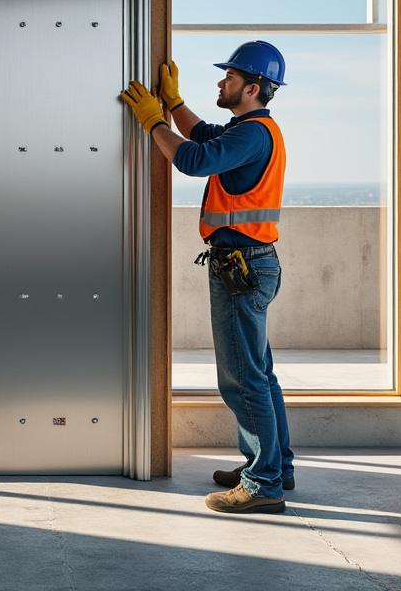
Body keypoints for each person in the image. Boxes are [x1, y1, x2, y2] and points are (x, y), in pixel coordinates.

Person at [119, 41, 294, 515]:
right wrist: (173, 106)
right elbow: (203, 135)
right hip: (251, 261)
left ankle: (263, 483)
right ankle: (276, 467)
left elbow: (194, 158)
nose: (221, 83)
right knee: (259, 374)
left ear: (252, 87)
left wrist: (153, 121)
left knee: (243, 380)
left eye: (230, 78)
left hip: (241, 264)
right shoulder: (252, 130)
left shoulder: (252, 134)